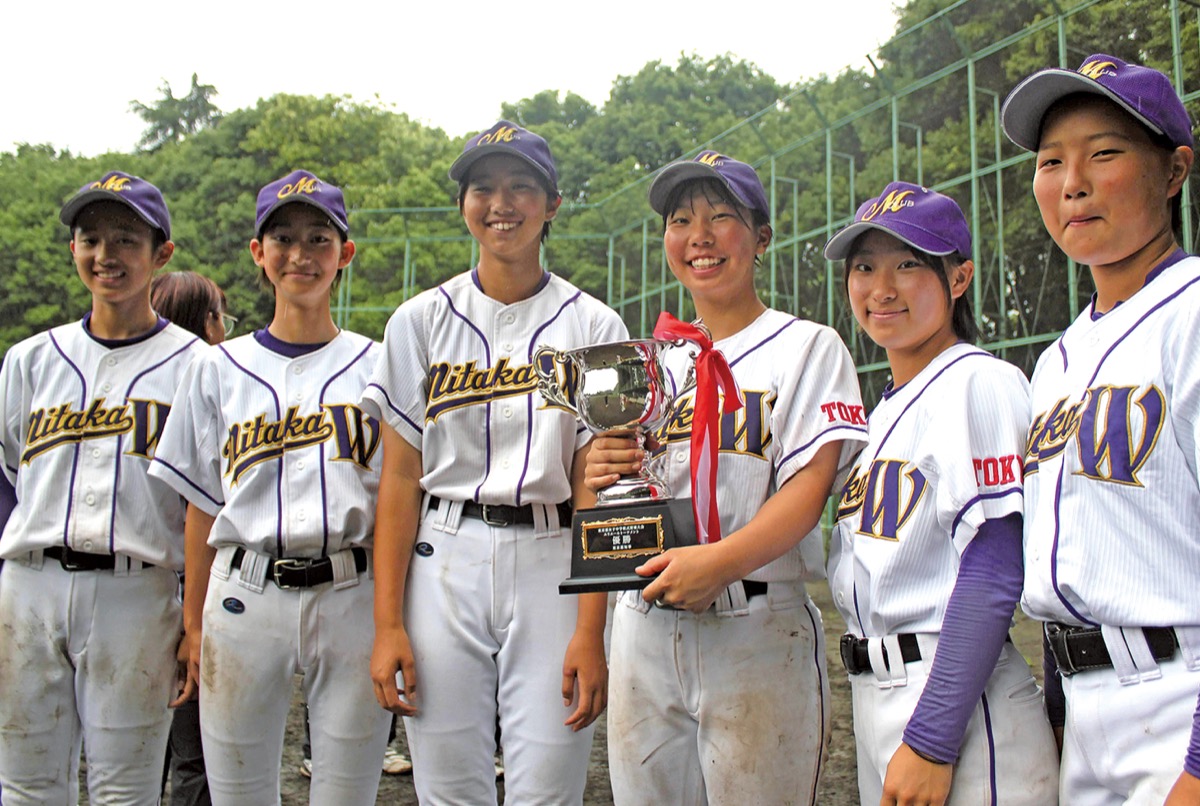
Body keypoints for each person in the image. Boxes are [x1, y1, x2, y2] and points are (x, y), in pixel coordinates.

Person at [584, 151, 868, 805]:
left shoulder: (808, 346)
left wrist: (720, 562)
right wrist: (600, 470)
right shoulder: (645, 361)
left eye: (722, 217)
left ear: (762, 237)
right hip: (644, 624)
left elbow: (806, 492)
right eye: (681, 220)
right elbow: (615, 491)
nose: (700, 236)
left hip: (757, 628)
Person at [363, 120, 627, 804]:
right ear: (463, 204)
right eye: (483, 187)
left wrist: (593, 631)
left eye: (521, 187)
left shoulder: (599, 326)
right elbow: (397, 480)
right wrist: (387, 623)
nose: (501, 202)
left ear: (553, 204)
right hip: (443, 554)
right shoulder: (417, 322)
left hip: (553, 558)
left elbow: (602, 489)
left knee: (551, 786)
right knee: (450, 788)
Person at [149, 170, 391, 805]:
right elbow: (201, 506)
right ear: (259, 253)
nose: (301, 254)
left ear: (346, 253)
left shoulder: (381, 363)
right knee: (238, 793)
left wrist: (394, 616)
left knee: (347, 794)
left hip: (353, 590)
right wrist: (194, 623)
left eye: (319, 238)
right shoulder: (215, 366)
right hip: (244, 592)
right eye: (282, 238)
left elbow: (398, 503)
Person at [1001, 53, 1200, 804]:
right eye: (1052, 161)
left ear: (1174, 170)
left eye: (1104, 153)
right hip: (1083, 711)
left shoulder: (1191, 314)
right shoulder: (1056, 360)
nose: (1071, 182)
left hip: (1181, 701)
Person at [823, 181, 1059, 805]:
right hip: (878, 690)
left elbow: (995, 563)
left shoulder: (977, 380)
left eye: (908, 264)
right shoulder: (884, 414)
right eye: (865, 266)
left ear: (958, 279)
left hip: (952, 697)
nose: (882, 288)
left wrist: (932, 737)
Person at [0, 171, 204, 804]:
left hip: (136, 591)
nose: (106, 255)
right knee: (26, 782)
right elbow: (11, 474)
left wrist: (191, 616)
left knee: (126, 788)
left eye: (125, 239)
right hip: (28, 585)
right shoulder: (31, 360)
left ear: (161, 254)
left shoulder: (196, 365)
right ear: (73, 249)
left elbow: (203, 500)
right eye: (90, 238)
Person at [150, 269, 232, 806]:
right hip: (188, 586)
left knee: (137, 754)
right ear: (208, 322)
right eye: (222, 315)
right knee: (195, 756)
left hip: (127, 585)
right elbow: (203, 505)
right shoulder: (219, 377)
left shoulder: (133, 376)